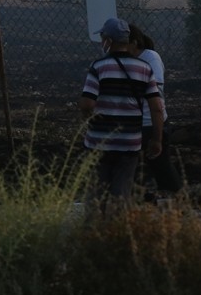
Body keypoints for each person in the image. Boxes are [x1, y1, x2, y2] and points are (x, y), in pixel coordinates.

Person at [79, 17, 164, 207]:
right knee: (122, 193)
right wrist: (157, 139)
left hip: (99, 141)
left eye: (102, 37)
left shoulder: (99, 67)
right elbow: (157, 108)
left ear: (108, 41)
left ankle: (94, 231)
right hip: (129, 142)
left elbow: (86, 104)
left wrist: (88, 123)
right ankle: (118, 231)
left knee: (95, 192)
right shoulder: (145, 69)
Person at [129, 23, 184, 197]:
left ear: (134, 42)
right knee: (137, 169)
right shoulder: (128, 59)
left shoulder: (150, 57)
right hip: (136, 121)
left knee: (161, 165)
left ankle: (178, 202)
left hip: (150, 120)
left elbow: (156, 92)